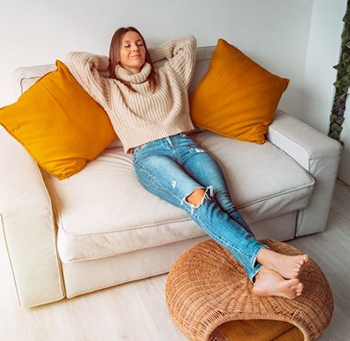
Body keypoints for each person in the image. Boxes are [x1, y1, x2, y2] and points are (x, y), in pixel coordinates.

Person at [65, 26, 308, 299]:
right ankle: (265, 258)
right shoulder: (109, 87)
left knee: (224, 201)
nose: (136, 49)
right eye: (127, 46)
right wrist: (112, 62)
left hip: (187, 145)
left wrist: (147, 55)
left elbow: (186, 44)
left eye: (140, 44)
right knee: (199, 199)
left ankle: (261, 276)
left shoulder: (169, 76)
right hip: (149, 155)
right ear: (116, 55)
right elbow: (77, 61)